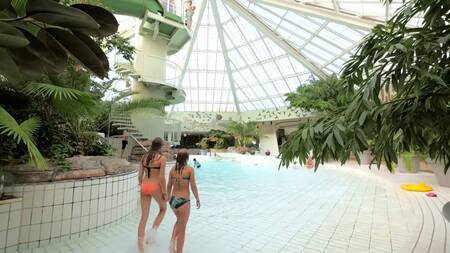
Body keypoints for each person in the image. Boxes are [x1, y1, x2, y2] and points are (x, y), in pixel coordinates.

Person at [167, 149, 200, 253]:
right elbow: (193, 186)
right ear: (187, 158)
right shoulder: (189, 170)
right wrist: (197, 198)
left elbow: (169, 185)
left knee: (179, 222)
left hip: (173, 201)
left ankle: (172, 246)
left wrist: (168, 198)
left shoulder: (172, 170)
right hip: (183, 202)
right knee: (182, 229)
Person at [137, 138, 168, 252]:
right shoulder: (162, 158)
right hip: (155, 186)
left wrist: (141, 184)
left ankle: (140, 245)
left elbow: (140, 174)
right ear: (161, 146)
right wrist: (164, 192)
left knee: (144, 216)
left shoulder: (144, 157)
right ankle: (152, 235)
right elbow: (161, 178)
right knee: (163, 209)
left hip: (145, 185)